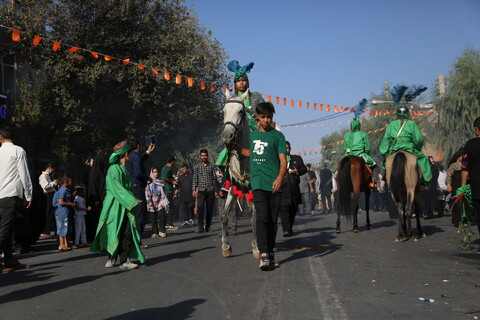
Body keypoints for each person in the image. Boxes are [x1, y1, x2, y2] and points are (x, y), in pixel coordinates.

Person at [228, 102, 287, 271]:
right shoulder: (252, 136)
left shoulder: (278, 136)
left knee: (273, 222)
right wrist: (235, 148)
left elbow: (283, 160)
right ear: (257, 118)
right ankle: (264, 255)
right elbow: (251, 153)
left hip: (275, 184)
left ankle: (271, 253)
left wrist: (280, 178)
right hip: (258, 183)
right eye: (263, 117)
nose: (266, 120)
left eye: (269, 117)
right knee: (262, 218)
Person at [91, 141, 144, 270]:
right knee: (115, 230)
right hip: (115, 205)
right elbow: (117, 188)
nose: (131, 155)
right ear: (126, 154)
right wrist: (132, 200)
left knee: (125, 231)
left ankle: (120, 259)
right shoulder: (114, 169)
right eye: (130, 153)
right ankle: (115, 258)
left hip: (123, 204)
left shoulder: (123, 169)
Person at [0, 127, 32, 271]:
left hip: (2, 195)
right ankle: (7, 259)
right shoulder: (18, 150)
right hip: (10, 194)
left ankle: (8, 259)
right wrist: (29, 194)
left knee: (7, 228)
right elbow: (23, 173)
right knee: (6, 228)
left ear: (1, 138)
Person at [379, 106, 432, 184]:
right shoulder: (412, 124)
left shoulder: (391, 125)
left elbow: (386, 140)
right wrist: (416, 148)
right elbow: (418, 139)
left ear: (397, 114)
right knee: (422, 160)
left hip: (394, 149)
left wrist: (385, 152)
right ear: (408, 114)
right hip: (409, 149)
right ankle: (424, 181)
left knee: (387, 163)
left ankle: (387, 179)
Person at [126, 139, 155, 237]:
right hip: (138, 187)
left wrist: (148, 152)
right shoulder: (136, 157)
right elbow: (138, 173)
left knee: (135, 214)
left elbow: (138, 160)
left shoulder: (130, 156)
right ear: (138, 146)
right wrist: (147, 177)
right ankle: (137, 238)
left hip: (132, 187)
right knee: (140, 215)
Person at [461, 116, 480, 254]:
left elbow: (465, 167)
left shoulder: (471, 144)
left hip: (477, 186)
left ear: (477, 130)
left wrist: (462, 187)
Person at [279, 141, 306, 237]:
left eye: (287, 147)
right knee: (284, 209)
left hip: (294, 189)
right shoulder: (277, 159)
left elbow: (304, 169)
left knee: (293, 209)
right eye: (284, 147)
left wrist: (297, 171)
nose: (286, 149)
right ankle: (285, 229)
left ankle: (289, 227)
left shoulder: (297, 158)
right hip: (282, 189)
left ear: (290, 149)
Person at [193, 149, 219, 233]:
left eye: (205, 155)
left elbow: (215, 178)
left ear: (207, 156)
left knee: (209, 209)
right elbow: (195, 178)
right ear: (200, 156)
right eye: (202, 155)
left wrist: (216, 189)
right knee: (200, 208)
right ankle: (200, 226)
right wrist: (194, 189)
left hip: (210, 189)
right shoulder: (197, 166)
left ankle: (208, 226)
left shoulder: (212, 166)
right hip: (201, 190)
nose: (204, 157)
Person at [86, 153, 107, 243]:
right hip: (97, 200)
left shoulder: (99, 171)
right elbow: (93, 187)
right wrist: (96, 200)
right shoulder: (95, 172)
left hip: (101, 198)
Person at [53, 174, 75, 251]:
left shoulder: (65, 190)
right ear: (66, 181)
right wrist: (71, 204)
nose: (71, 182)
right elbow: (61, 202)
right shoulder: (63, 190)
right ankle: (61, 244)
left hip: (65, 211)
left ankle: (66, 243)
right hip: (63, 211)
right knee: (63, 227)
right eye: (70, 180)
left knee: (67, 227)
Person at [145, 167, 169, 238]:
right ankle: (155, 232)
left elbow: (163, 192)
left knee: (162, 216)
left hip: (160, 201)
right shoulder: (149, 182)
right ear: (152, 173)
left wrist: (164, 200)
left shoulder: (160, 181)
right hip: (152, 202)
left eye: (157, 172)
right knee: (153, 218)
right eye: (154, 172)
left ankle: (162, 231)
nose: (156, 173)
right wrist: (149, 201)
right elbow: (147, 192)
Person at [39, 162, 58, 238]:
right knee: (48, 212)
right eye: (52, 169)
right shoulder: (44, 176)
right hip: (48, 194)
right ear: (49, 168)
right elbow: (45, 186)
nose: (53, 171)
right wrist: (53, 183)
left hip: (51, 194)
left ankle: (48, 229)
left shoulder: (48, 176)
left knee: (50, 212)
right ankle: (45, 230)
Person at [161, 155, 178, 230]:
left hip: (169, 190)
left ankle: (168, 223)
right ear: (172, 162)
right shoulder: (167, 168)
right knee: (169, 207)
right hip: (168, 190)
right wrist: (172, 181)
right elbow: (164, 177)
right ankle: (169, 223)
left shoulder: (166, 168)